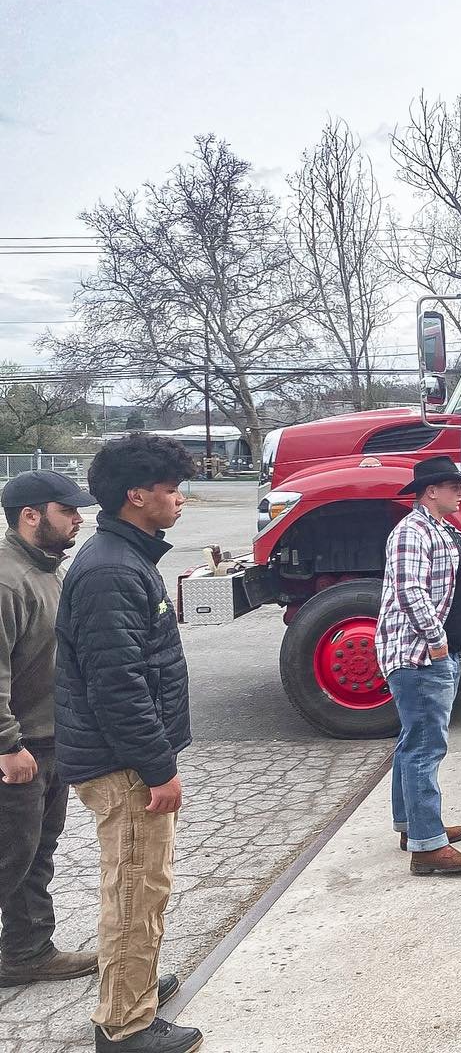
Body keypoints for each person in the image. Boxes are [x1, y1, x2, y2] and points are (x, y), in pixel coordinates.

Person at [54, 434, 201, 1053]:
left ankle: (134, 983)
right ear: (135, 497)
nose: (180, 501)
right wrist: (157, 766)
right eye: (171, 491)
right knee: (136, 887)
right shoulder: (112, 569)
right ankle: (125, 1024)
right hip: (125, 767)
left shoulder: (123, 558)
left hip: (129, 759)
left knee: (143, 883)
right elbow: (118, 684)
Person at [0, 471, 99, 990]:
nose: (79, 519)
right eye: (68, 510)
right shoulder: (6, 578)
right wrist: (7, 745)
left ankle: (26, 951)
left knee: (36, 852)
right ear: (31, 516)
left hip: (47, 742)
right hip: (17, 750)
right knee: (9, 858)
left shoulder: (44, 570)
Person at [375, 455, 461, 876]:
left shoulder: (437, 528)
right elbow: (409, 592)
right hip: (419, 655)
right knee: (425, 746)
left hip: (428, 654)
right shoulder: (412, 531)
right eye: (452, 484)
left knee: (412, 741)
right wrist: (438, 643)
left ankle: (413, 826)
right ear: (430, 491)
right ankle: (427, 847)